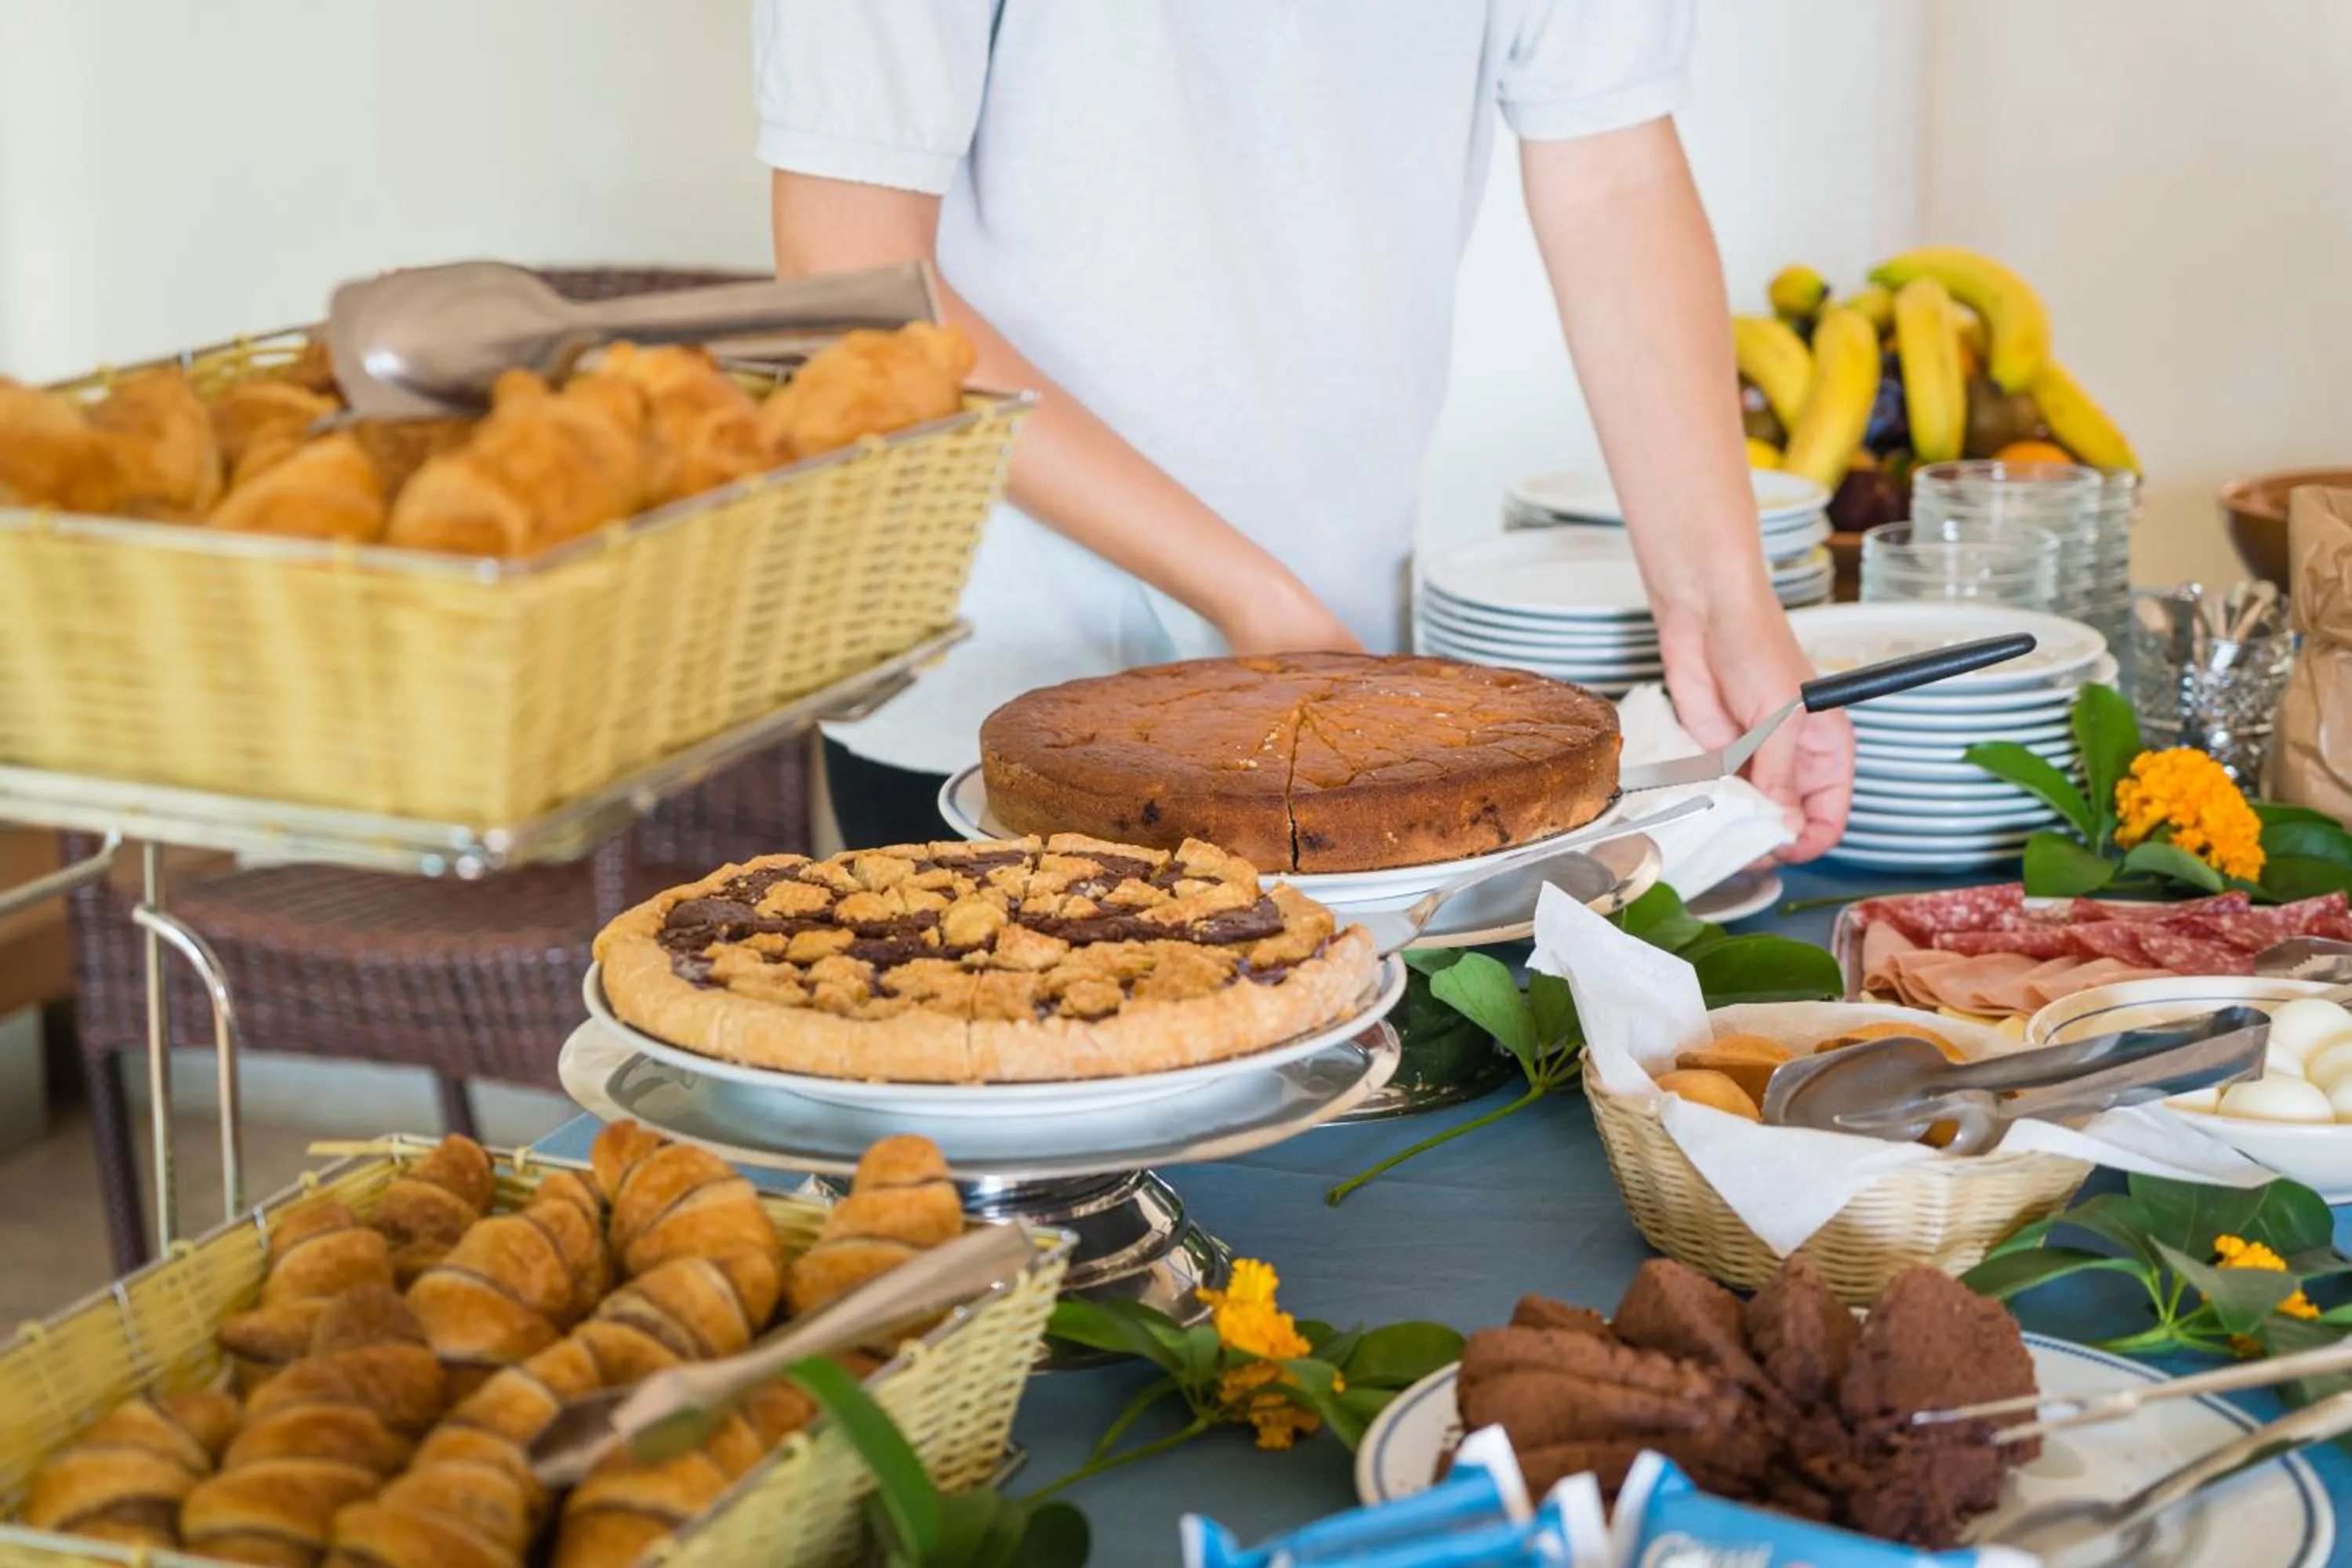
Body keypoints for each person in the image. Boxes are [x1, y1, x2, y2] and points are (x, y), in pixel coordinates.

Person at [756, 0, 1853, 858]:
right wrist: (1253, 600)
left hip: (1324, 688)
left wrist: (1724, 609)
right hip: (987, 687)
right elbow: (857, 278)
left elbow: (1613, 173)